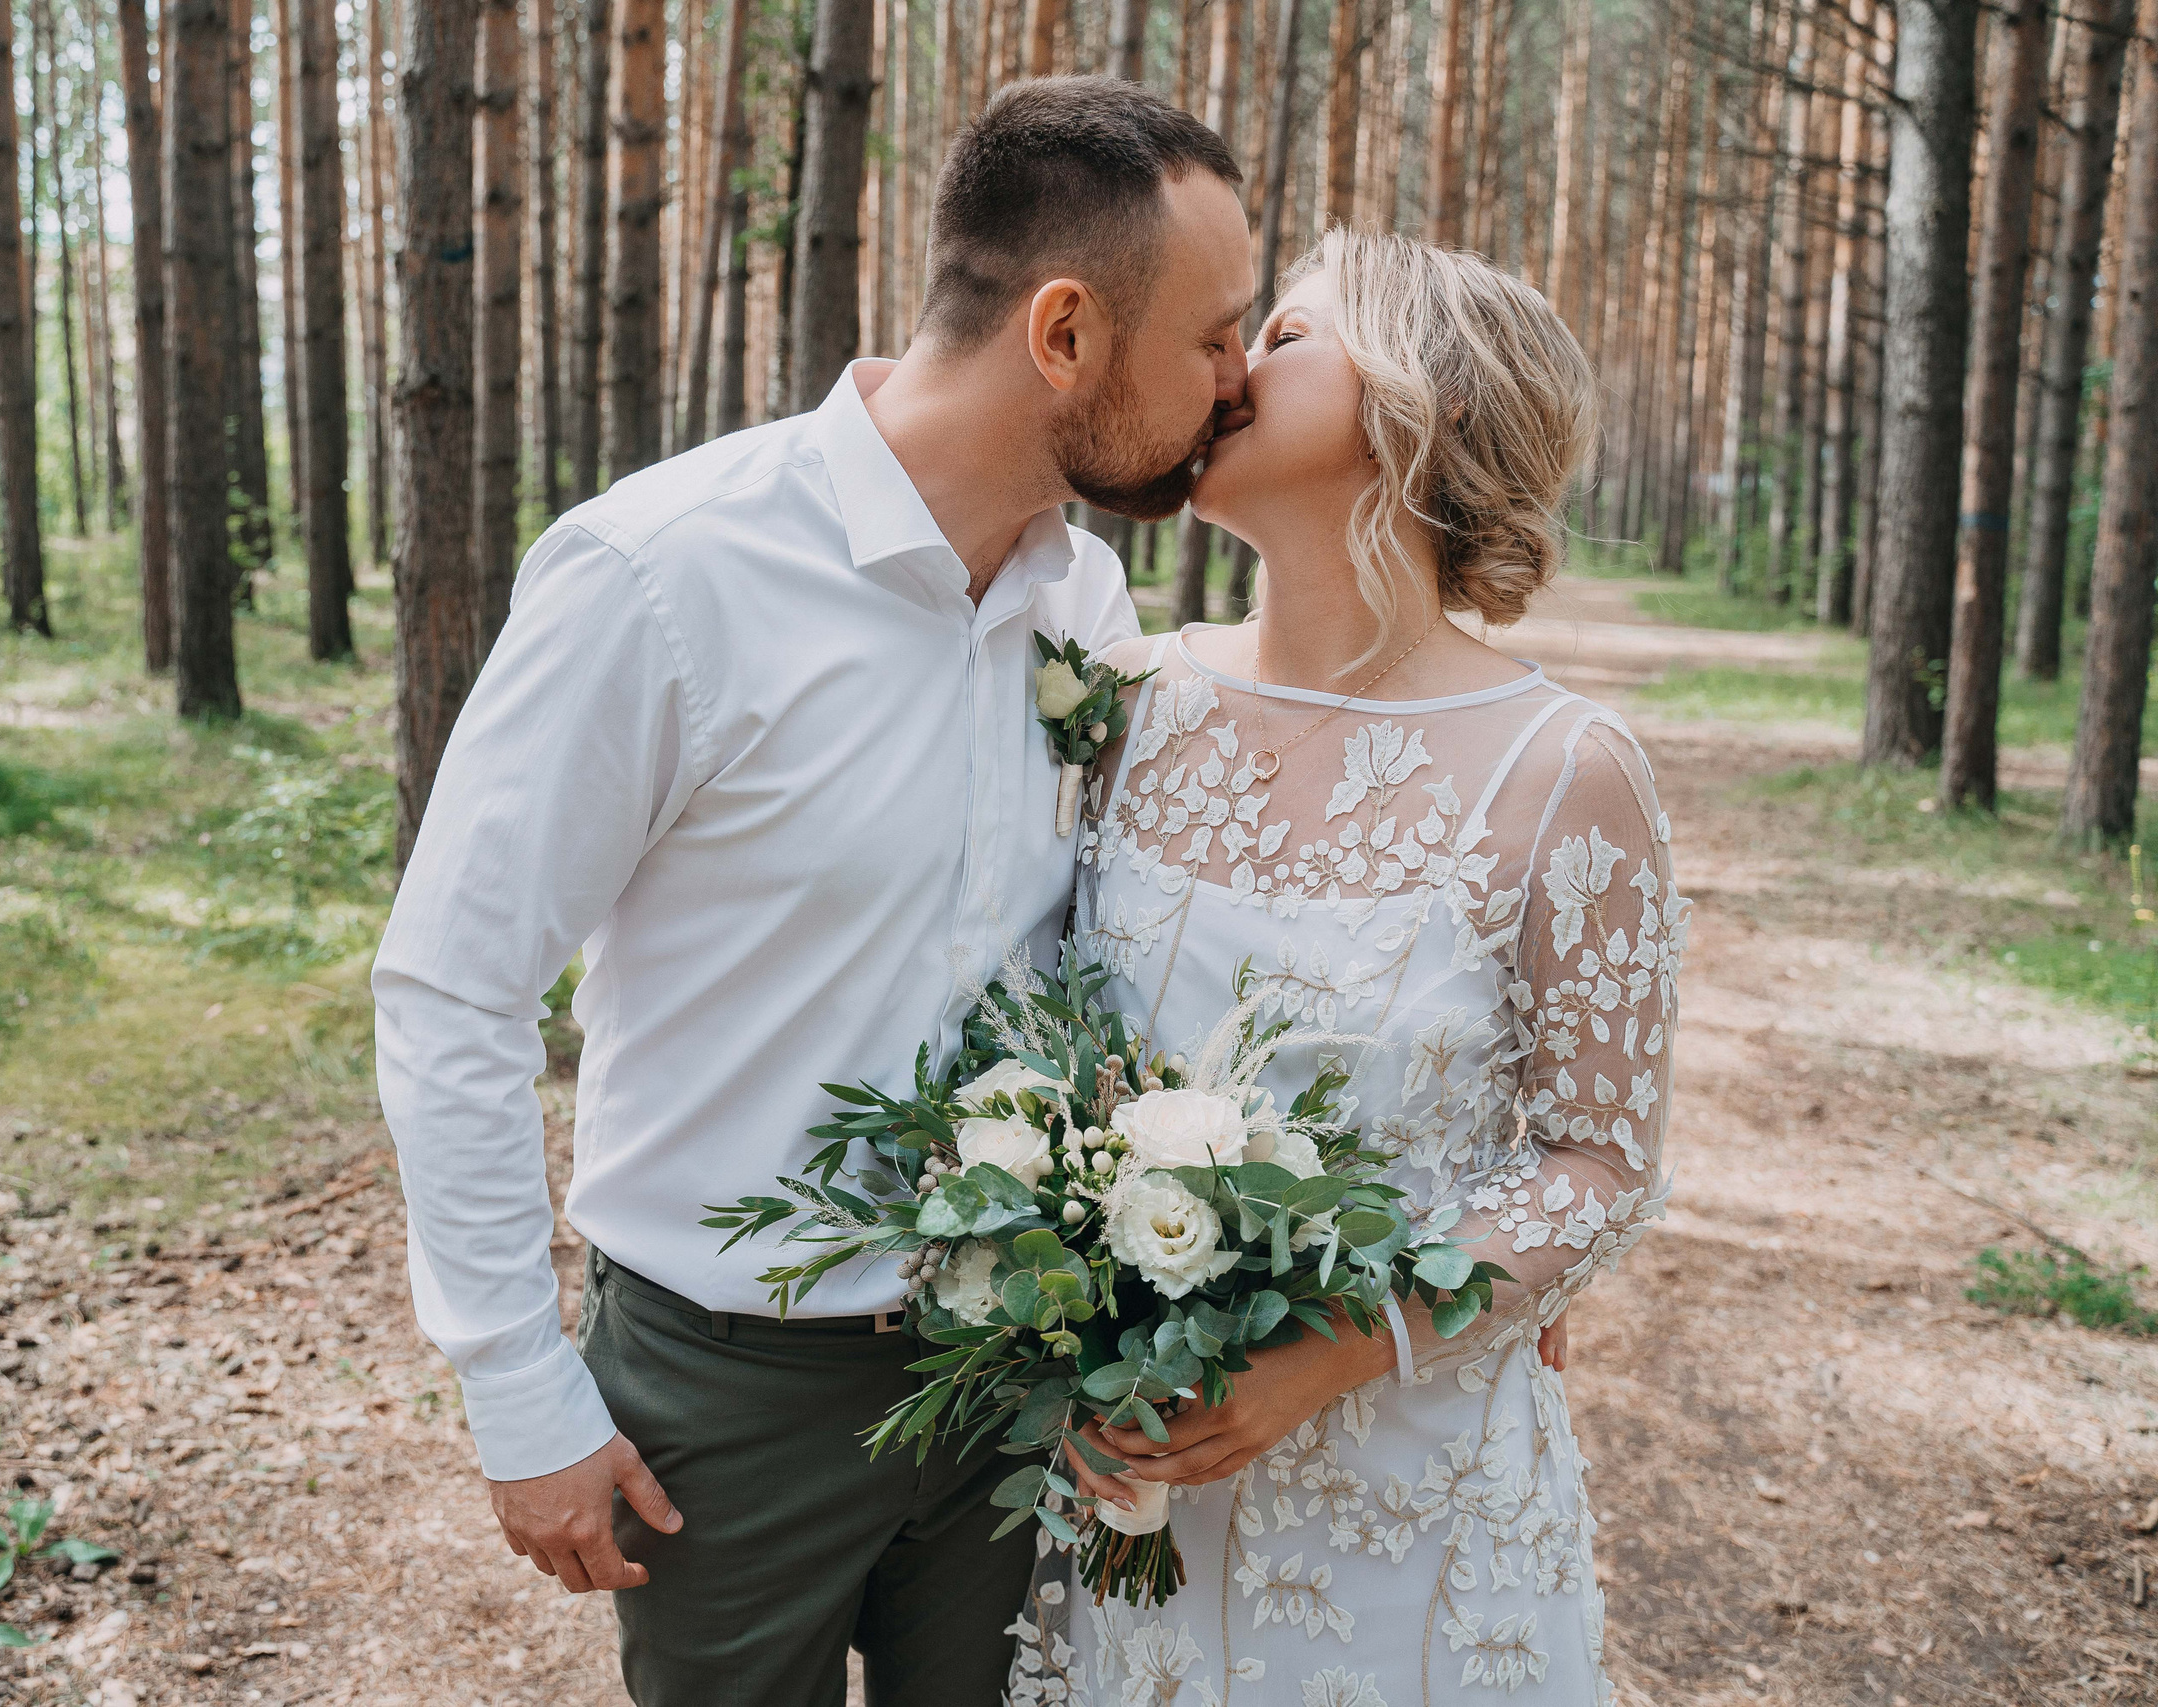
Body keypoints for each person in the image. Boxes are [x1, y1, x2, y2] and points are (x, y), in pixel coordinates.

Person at [373, 77, 1257, 1707]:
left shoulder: (1087, 599)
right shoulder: (662, 575)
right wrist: (516, 1383)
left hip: (1016, 1372)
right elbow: (453, 984)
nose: (1239, 382)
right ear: (1064, 333)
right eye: (1212, 337)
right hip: (730, 1393)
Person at [1013, 228, 1685, 1707]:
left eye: (1288, 334)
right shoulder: (1127, 701)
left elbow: (1597, 1160)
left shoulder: (1563, 770)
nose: (1230, 369)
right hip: (1129, 1469)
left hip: (1411, 1501)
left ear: (1423, 403)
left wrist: (1344, 1348)